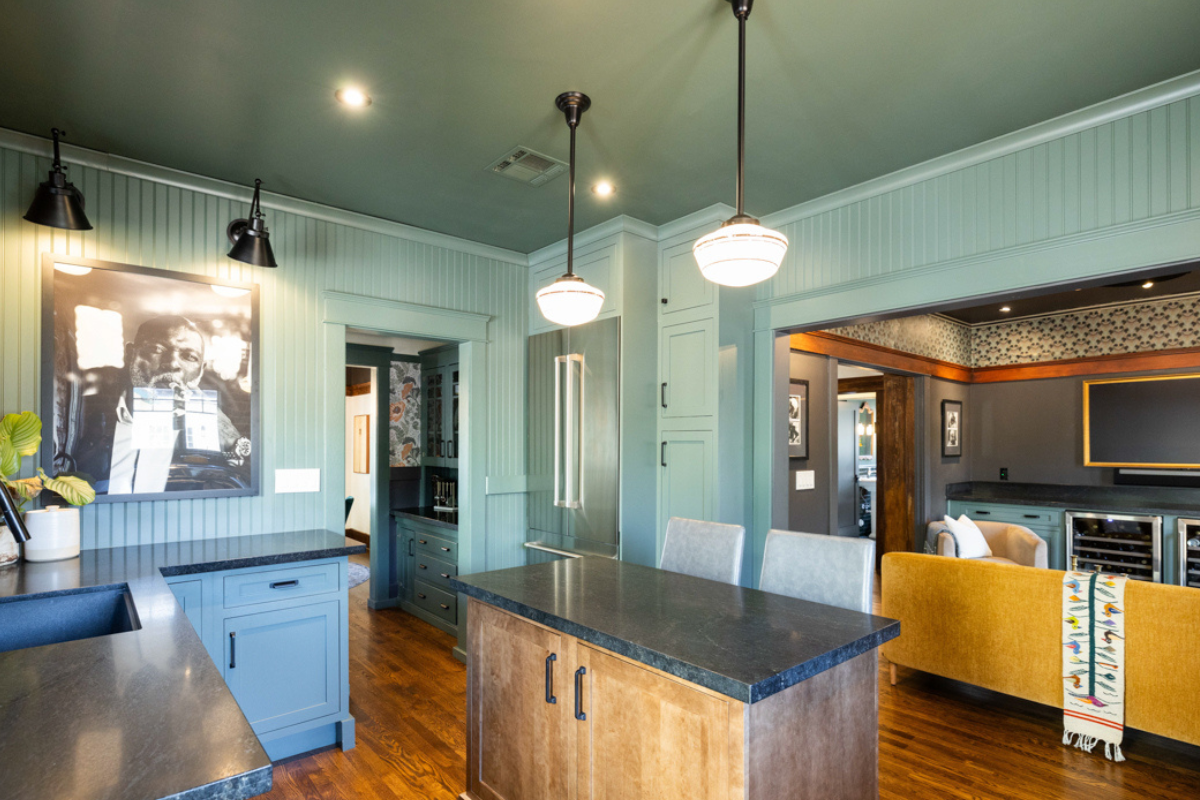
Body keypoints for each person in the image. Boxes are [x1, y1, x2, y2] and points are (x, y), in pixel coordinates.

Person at [62, 315, 249, 494]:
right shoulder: (85, 414)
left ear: (201, 371)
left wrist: (234, 442)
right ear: (130, 355)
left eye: (189, 356)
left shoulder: (213, 428)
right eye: (156, 350)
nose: (172, 363)